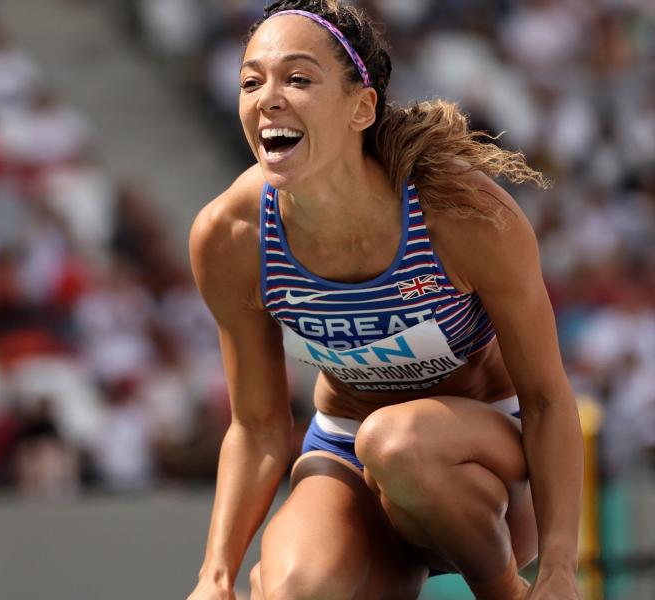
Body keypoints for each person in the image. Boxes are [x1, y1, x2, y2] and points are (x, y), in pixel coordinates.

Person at [187, 2, 583, 599]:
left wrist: (558, 569)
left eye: (297, 78)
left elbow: (549, 399)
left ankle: (506, 591)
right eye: (250, 81)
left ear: (361, 107)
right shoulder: (230, 236)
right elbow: (257, 424)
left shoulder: (462, 213)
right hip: (346, 450)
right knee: (294, 587)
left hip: (491, 474)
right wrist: (214, 578)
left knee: (396, 443)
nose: (267, 98)